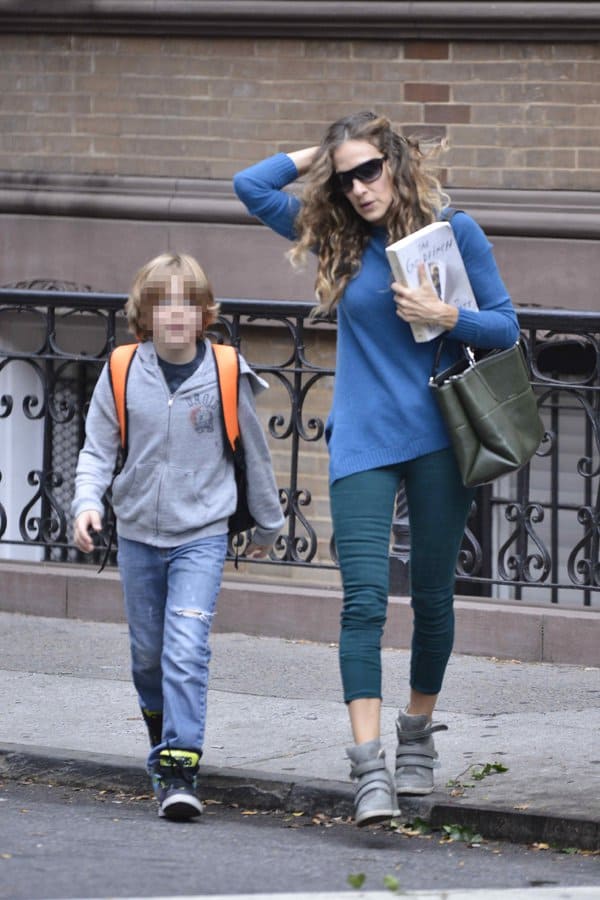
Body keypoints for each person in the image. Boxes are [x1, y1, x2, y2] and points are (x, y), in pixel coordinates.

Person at [233, 111, 519, 827]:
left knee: (431, 599)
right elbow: (249, 184)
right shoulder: (338, 237)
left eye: (370, 169)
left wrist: (447, 314)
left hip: (438, 437)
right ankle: (369, 770)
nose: (360, 187)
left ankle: (416, 734)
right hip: (363, 438)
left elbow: (508, 326)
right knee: (363, 602)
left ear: (395, 162)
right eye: (347, 175)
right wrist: (323, 153)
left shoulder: (455, 232)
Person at [72, 252, 284, 821]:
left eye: (186, 304)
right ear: (144, 312)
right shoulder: (120, 368)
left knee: (185, 650)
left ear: (203, 314)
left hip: (202, 534)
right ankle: (162, 739)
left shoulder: (225, 369)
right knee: (148, 657)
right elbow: (96, 448)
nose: (174, 315)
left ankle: (179, 771)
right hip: (139, 534)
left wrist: (267, 523)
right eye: (162, 303)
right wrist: (87, 502)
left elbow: (254, 455)